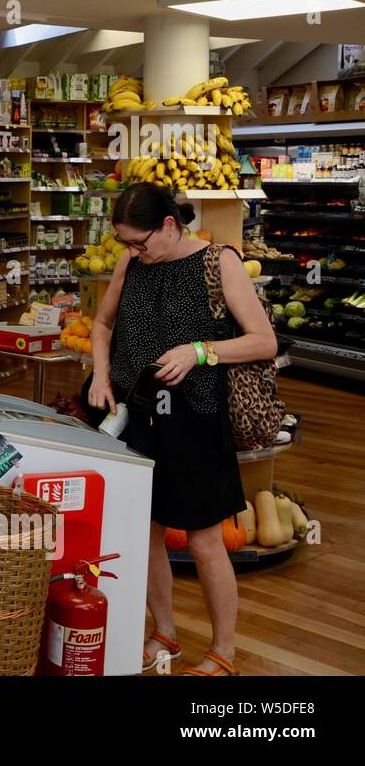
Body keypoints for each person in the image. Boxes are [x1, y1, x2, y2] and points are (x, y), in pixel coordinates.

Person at [85, 183, 277, 677]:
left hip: (194, 417)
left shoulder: (219, 262)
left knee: (204, 539)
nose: (132, 252)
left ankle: (224, 652)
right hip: (135, 417)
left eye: (139, 242)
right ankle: (164, 630)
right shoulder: (132, 265)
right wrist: (103, 375)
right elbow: (103, 325)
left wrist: (201, 351)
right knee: (145, 532)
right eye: (126, 243)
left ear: (169, 225)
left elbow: (263, 342)